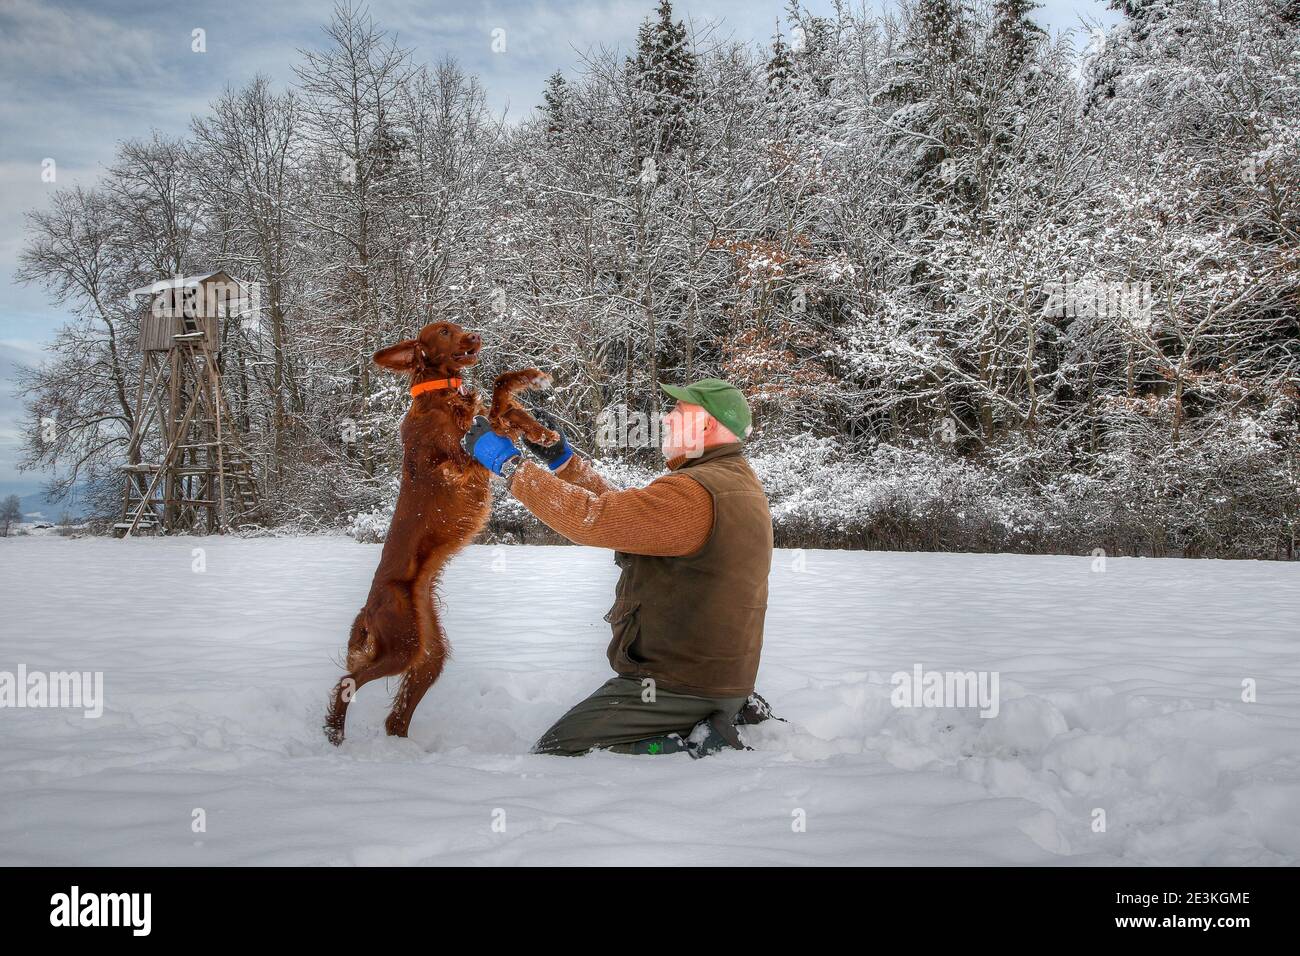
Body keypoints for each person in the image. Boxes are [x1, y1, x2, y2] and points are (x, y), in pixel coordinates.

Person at [463, 378, 779, 757]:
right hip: (710, 678)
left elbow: (591, 518)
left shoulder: (696, 492)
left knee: (559, 754)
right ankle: (721, 713)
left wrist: (512, 466)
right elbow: (625, 515)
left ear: (707, 425)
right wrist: (564, 463)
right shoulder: (726, 480)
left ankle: (693, 745)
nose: (666, 420)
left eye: (679, 413)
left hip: (679, 686)